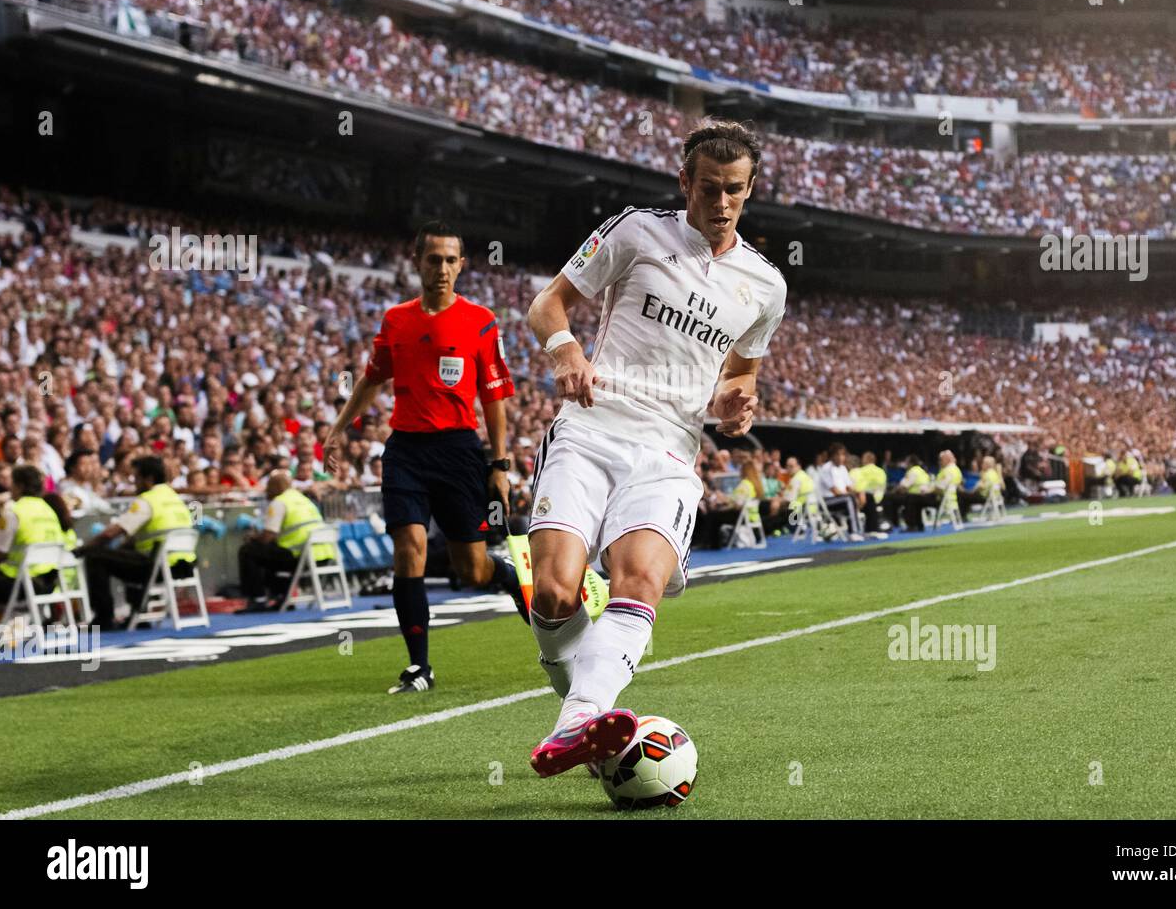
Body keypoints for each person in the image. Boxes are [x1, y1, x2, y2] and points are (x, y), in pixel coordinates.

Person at [523, 119, 787, 776]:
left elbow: (740, 376)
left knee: (639, 579)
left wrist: (734, 402)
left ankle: (578, 723)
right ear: (684, 183)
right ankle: (579, 705)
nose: (719, 203)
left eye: (733, 190)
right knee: (555, 596)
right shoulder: (637, 230)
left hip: (669, 450)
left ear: (750, 189)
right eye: (707, 189)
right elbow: (547, 304)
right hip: (591, 427)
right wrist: (568, 353)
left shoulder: (766, 286)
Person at [323, 220, 527, 696]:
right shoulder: (396, 320)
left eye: (449, 260)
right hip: (406, 450)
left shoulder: (481, 320)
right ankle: (419, 667)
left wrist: (499, 466)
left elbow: (494, 398)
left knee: (471, 570)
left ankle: (510, 576)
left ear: (462, 265)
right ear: (416, 263)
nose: (441, 268)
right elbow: (373, 378)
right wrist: (338, 429)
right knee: (408, 547)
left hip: (458, 452)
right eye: (432, 259)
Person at [75, 456, 197, 631]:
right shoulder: (176, 499)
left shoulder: (147, 500)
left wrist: (85, 548)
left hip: (158, 566)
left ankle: (103, 618)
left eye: (137, 478)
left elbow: (113, 532)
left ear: (148, 479)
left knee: (96, 557)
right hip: (184, 564)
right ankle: (139, 613)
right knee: (126, 553)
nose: (135, 483)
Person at [238, 470, 338, 611]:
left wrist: (254, 537)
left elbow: (268, 536)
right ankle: (281, 595)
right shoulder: (304, 499)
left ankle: (257, 598)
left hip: (300, 556)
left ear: (274, 487)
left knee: (248, 551)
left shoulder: (280, 502)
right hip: (325, 554)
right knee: (272, 554)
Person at [0, 465, 64, 615]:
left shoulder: (13, 511)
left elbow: (0, 553)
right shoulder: (49, 510)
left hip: (20, 583)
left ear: (19, 486)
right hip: (49, 581)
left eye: (12, 484)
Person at [849, 451, 888, 534]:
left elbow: (857, 487)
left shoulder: (860, 471)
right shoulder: (881, 471)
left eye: (863, 459)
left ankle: (869, 529)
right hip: (881, 499)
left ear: (865, 460)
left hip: (866, 499)